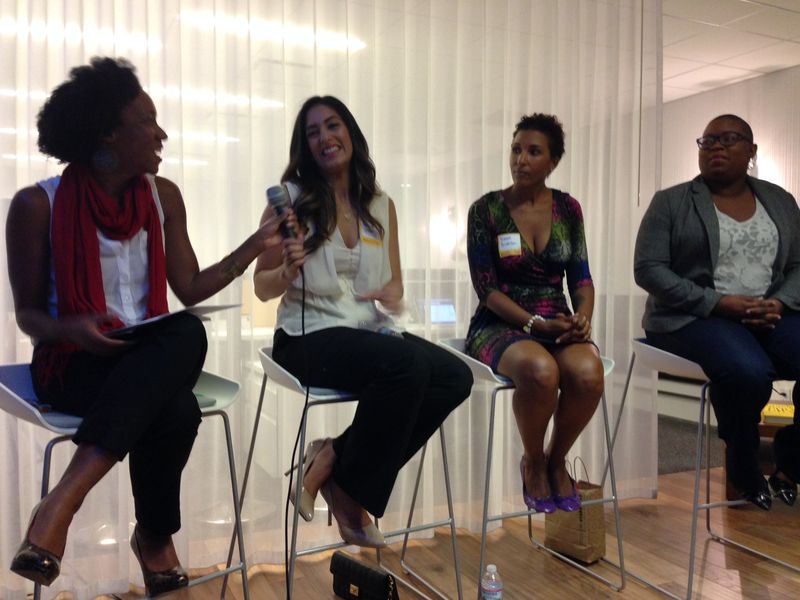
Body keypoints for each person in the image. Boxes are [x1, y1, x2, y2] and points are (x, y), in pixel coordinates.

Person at [5, 57, 285, 594]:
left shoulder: (164, 197)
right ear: (108, 133)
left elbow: (190, 288)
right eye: (147, 121)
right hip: (72, 364)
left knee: (186, 334)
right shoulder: (36, 205)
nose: (162, 134)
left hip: (145, 357)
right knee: (175, 401)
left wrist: (257, 244)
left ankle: (62, 501)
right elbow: (28, 315)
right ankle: (153, 538)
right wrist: (74, 329)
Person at [253, 95, 473, 547]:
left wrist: (392, 294)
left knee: (455, 376)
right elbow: (261, 285)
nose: (324, 137)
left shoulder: (381, 204)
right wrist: (287, 271)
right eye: (313, 132)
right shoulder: (290, 201)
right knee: (407, 365)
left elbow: (394, 284)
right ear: (305, 147)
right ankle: (351, 496)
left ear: (350, 132)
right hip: (306, 336)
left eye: (332, 125)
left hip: (366, 331)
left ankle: (332, 458)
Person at [634, 114, 800, 510]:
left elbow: (797, 265)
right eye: (707, 141)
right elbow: (649, 269)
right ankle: (744, 467)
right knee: (748, 371)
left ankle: (791, 463)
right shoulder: (672, 202)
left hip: (768, 313)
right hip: (694, 317)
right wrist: (718, 302)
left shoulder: (781, 201)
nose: (716, 147)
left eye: (728, 139)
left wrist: (779, 302)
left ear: (752, 150)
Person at [465, 113, 604, 514]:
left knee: (588, 374)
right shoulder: (486, 210)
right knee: (542, 372)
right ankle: (533, 461)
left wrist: (582, 317)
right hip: (500, 322)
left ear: (553, 161)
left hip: (556, 319)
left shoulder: (568, 208)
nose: (521, 160)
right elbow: (487, 289)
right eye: (516, 150)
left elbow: (582, 278)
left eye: (533, 151)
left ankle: (556, 459)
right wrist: (532, 323)